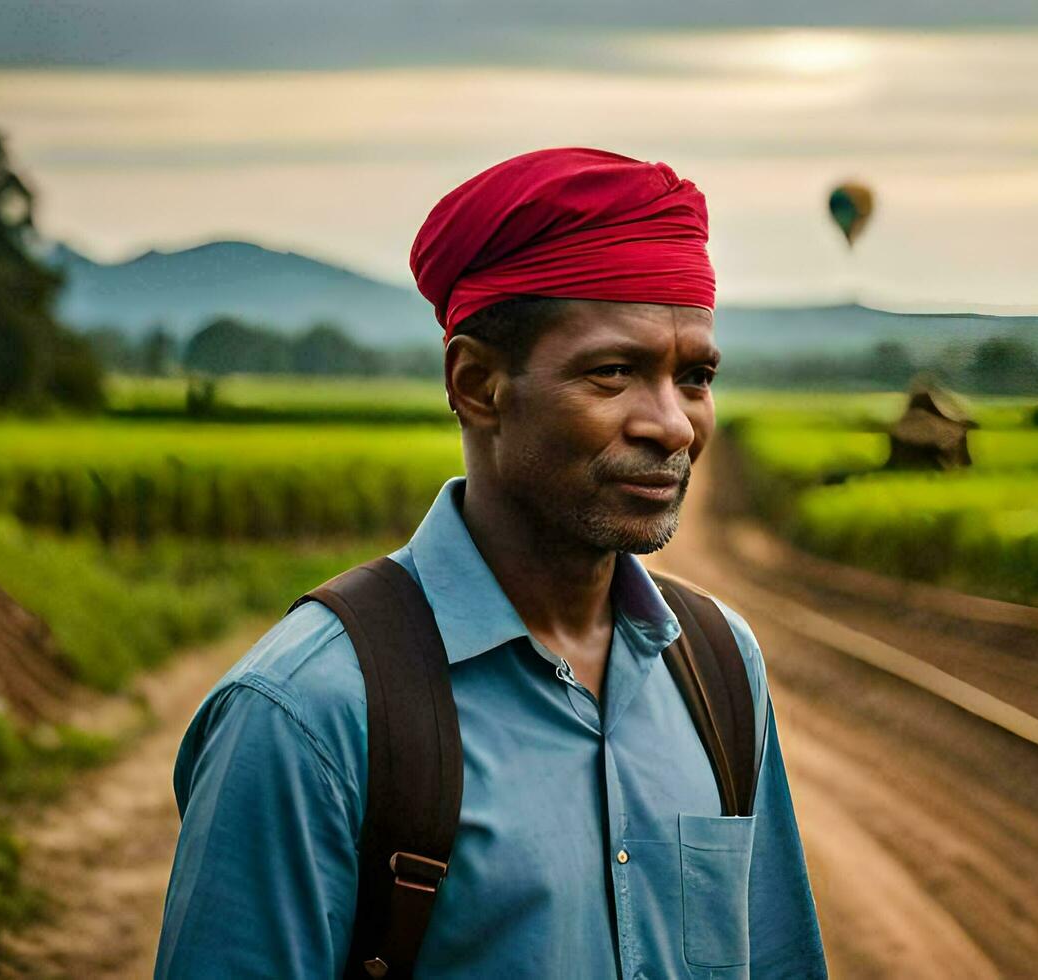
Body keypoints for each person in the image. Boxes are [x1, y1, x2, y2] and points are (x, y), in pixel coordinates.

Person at [153, 147, 828, 978]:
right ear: (477, 385)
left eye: (694, 377)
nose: (674, 425)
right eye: (614, 373)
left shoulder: (721, 666)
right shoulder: (310, 714)